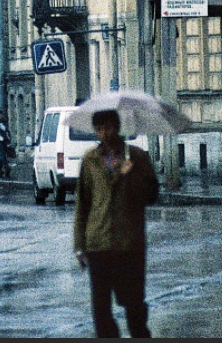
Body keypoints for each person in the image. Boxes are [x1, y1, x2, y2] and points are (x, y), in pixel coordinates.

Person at [73, 109, 160, 338]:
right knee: (101, 312)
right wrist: (79, 245)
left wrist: (132, 174)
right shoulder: (90, 160)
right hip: (98, 245)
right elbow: (82, 204)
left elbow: (151, 196)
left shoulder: (137, 157)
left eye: (109, 127)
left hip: (128, 244)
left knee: (135, 309)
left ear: (118, 127)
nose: (105, 133)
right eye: (100, 129)